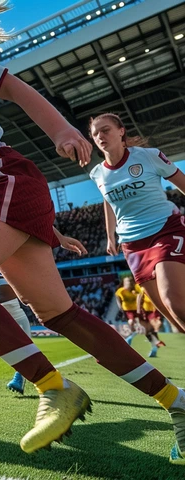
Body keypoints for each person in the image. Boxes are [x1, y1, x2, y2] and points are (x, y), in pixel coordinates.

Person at [0, 3, 185, 460]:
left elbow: (14, 88)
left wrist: (62, 130)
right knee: (58, 315)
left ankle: (52, 386)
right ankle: (178, 405)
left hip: (2, 178)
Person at [89, 112, 185, 336]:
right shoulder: (97, 173)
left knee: (175, 302)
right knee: (175, 321)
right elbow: (108, 202)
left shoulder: (148, 156)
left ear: (121, 131)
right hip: (132, 245)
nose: (100, 136)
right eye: (95, 134)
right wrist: (111, 236)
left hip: (165, 230)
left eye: (106, 130)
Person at [0, 230, 87, 395]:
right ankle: (24, 365)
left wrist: (59, 238)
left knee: (4, 299)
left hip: (3, 247)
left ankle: (23, 371)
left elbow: (28, 206)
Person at [137, 287, 166, 356]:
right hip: (145, 312)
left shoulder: (158, 289)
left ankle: (155, 347)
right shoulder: (143, 289)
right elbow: (139, 299)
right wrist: (139, 310)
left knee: (152, 330)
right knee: (147, 332)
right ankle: (155, 345)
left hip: (155, 312)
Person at [115, 276, 142, 345]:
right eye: (127, 281)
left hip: (136, 309)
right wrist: (120, 306)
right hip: (128, 310)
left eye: (130, 281)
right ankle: (131, 336)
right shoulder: (121, 291)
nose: (128, 283)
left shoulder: (135, 289)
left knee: (141, 324)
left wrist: (140, 306)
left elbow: (140, 296)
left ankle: (132, 336)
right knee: (131, 322)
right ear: (124, 283)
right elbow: (117, 297)